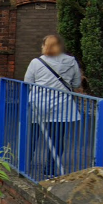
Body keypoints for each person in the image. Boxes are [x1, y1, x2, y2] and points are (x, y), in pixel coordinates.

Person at [23, 34, 82, 178]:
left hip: (39, 105)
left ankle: (25, 166)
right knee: (57, 139)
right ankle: (49, 169)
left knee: (32, 137)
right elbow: (76, 84)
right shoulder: (71, 62)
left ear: (45, 46)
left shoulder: (36, 62)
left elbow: (27, 82)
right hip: (62, 106)